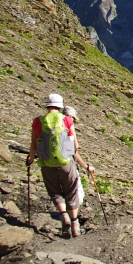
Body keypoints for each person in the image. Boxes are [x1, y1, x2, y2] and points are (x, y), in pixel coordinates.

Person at [26, 93, 95, 239]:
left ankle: (63, 216)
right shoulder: (66, 120)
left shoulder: (38, 121)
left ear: (47, 105)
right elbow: (75, 146)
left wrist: (30, 159)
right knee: (71, 192)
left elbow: (33, 146)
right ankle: (75, 226)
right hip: (66, 162)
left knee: (55, 192)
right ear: (60, 106)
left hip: (46, 164)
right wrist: (85, 165)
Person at [62, 106, 85, 208]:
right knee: (76, 192)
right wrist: (86, 166)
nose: (73, 122)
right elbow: (75, 149)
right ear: (70, 117)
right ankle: (73, 219)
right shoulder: (68, 126)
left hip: (50, 163)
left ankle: (63, 213)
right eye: (74, 119)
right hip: (68, 163)